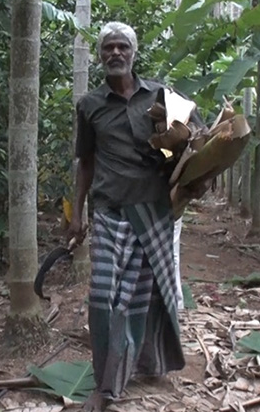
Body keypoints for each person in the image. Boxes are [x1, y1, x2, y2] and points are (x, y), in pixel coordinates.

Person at [70, 22, 203, 411]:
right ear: (100, 55)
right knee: (103, 298)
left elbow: (198, 135)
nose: (115, 52)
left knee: (145, 297)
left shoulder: (160, 95)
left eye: (122, 46)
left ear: (133, 52)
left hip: (154, 211)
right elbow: (86, 162)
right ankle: (106, 384)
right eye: (108, 47)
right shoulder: (90, 105)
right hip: (109, 212)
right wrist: (76, 213)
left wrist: (196, 168)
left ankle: (146, 365)